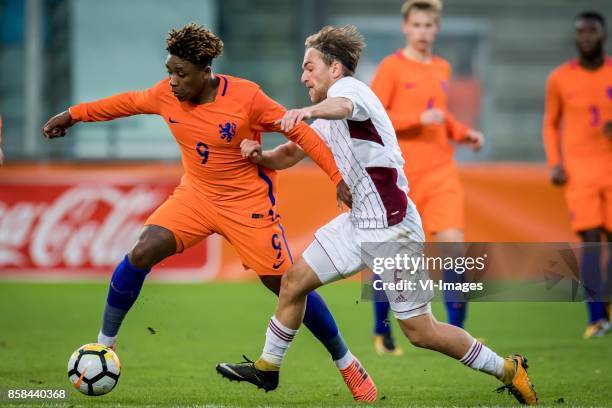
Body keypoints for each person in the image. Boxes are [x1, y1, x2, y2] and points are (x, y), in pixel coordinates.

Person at [41, 23, 375, 399]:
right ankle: (105, 346)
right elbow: (126, 102)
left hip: (247, 204)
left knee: (286, 286)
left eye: (180, 74)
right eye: (169, 72)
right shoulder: (166, 96)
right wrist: (73, 114)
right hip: (196, 197)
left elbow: (301, 133)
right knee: (142, 250)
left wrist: (336, 176)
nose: (172, 82)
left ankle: (347, 362)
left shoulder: (246, 97)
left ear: (205, 72)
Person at [215, 25, 537, 405]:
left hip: (393, 228)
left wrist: (307, 111)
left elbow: (344, 108)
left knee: (420, 331)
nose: (303, 76)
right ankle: (267, 368)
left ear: (334, 68)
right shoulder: (326, 114)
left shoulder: (350, 91)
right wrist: (261, 157)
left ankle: (507, 368)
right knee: (293, 281)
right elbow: (290, 153)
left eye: (309, 67)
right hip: (356, 224)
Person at [369, 0, 484, 345]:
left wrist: (464, 133)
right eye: (416, 25)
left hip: (441, 172)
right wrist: (417, 119)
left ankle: (457, 332)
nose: (422, 32)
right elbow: (375, 117)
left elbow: (441, 116)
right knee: (392, 255)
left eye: (428, 25)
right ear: (405, 27)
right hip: (401, 176)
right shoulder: (391, 67)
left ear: (437, 28)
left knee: (454, 248)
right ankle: (381, 329)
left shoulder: (442, 68)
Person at [542, 11, 612, 339]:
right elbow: (550, 122)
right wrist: (555, 162)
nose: (586, 37)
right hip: (580, 172)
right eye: (581, 32)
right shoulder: (560, 78)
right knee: (591, 242)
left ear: (604, 35)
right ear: (575, 37)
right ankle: (596, 317)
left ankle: (606, 305)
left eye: (592, 32)